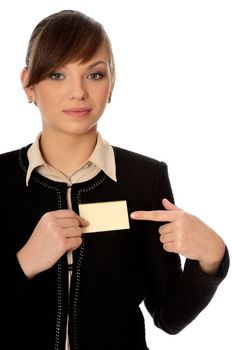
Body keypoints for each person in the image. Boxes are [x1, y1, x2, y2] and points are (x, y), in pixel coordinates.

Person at [0, 9, 229, 350]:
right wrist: (25, 262)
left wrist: (212, 260)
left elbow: (169, 316)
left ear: (112, 83)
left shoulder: (145, 178)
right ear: (28, 84)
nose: (78, 92)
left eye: (93, 75)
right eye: (57, 74)